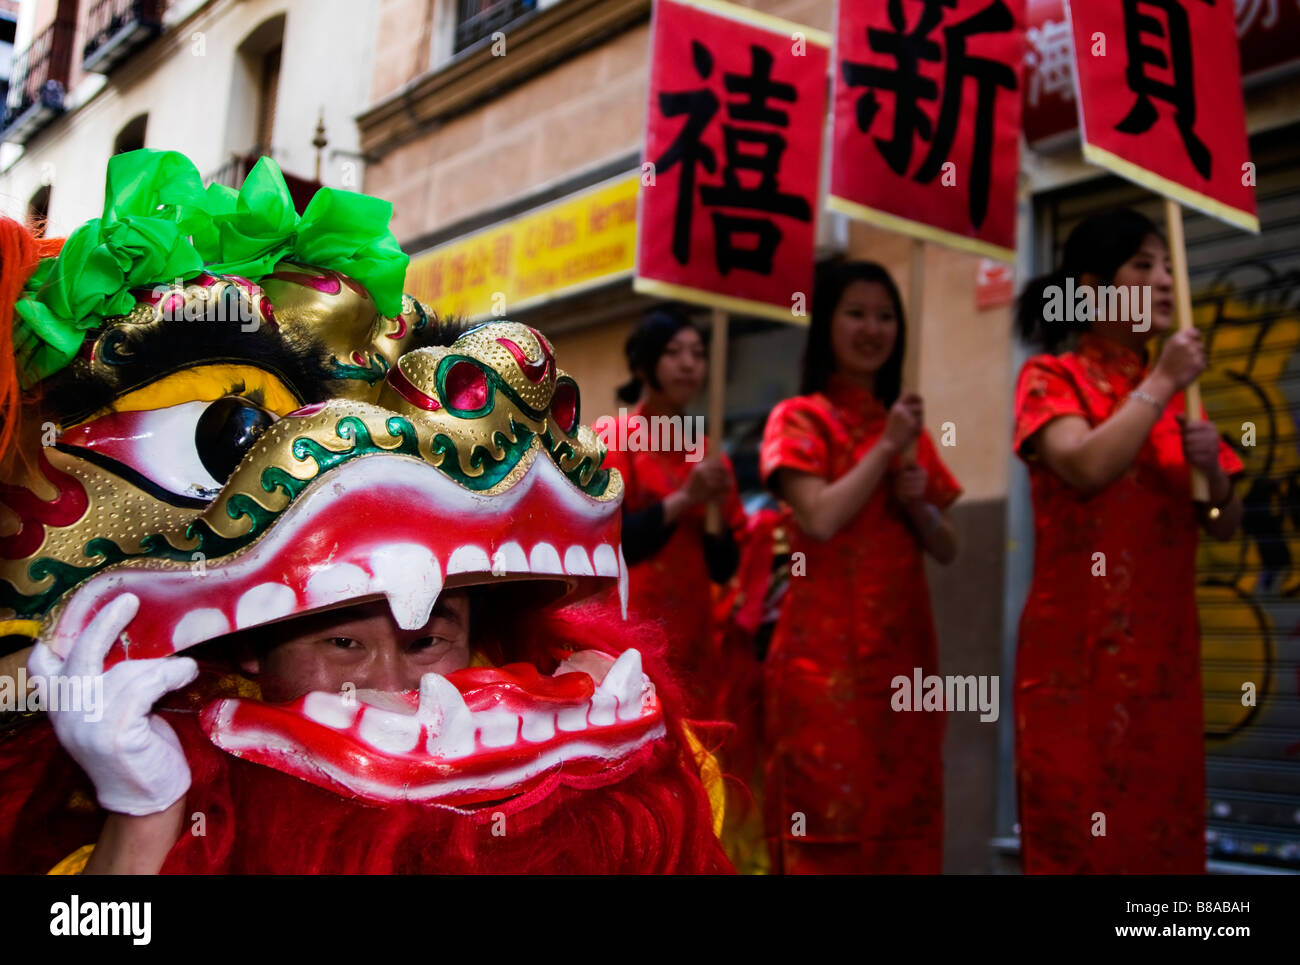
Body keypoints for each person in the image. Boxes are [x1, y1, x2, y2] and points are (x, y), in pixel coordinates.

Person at [0, 150, 732, 875]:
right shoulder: (194, 807)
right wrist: (143, 810)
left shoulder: (535, 792)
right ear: (251, 654)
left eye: (428, 643)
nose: (390, 684)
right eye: (345, 644)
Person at [1011, 208, 1244, 874]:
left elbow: (1223, 524)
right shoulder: (1052, 378)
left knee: (1161, 844)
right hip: (1075, 669)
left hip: (1165, 670)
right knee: (1082, 843)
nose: (1166, 280)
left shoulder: (1184, 406)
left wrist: (1217, 481)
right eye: (1143, 265)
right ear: (1091, 288)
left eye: (1168, 265)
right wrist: (1162, 379)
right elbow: (1084, 465)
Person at [760, 260, 961, 874]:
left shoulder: (906, 430)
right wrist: (885, 450)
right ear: (825, 325)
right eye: (856, 313)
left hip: (903, 659)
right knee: (827, 820)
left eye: (885, 315)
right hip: (821, 667)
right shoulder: (800, 417)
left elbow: (947, 546)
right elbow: (818, 518)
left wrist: (918, 503)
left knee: (906, 818)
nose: (873, 328)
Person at [600, 308, 746, 717]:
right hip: (631, 628)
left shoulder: (709, 453)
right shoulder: (615, 437)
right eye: (674, 352)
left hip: (695, 632)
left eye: (698, 354)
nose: (689, 364)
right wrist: (685, 499)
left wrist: (713, 507)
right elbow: (613, 542)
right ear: (644, 364)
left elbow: (723, 566)